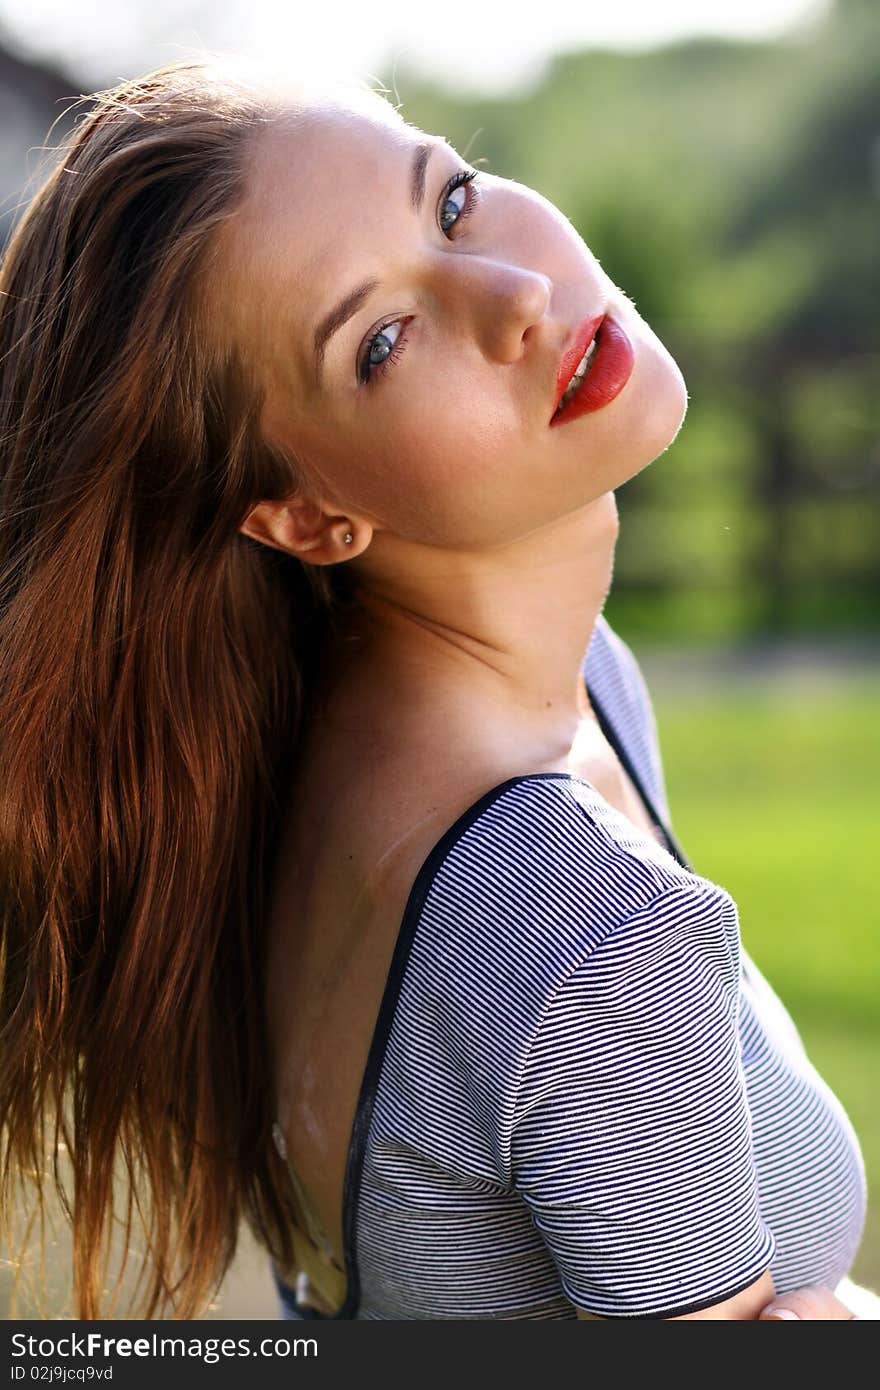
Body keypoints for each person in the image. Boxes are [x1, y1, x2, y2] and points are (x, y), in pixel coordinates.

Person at [0, 55, 872, 1322]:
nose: (516, 294)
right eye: (383, 340)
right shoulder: (582, 929)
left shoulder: (480, 713)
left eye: (451, 200)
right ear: (303, 516)